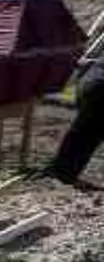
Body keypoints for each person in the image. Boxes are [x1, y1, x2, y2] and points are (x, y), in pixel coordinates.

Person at [47, 58, 104, 190]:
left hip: (90, 81)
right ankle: (62, 174)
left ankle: (62, 172)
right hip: (99, 87)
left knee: (85, 133)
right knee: (87, 133)